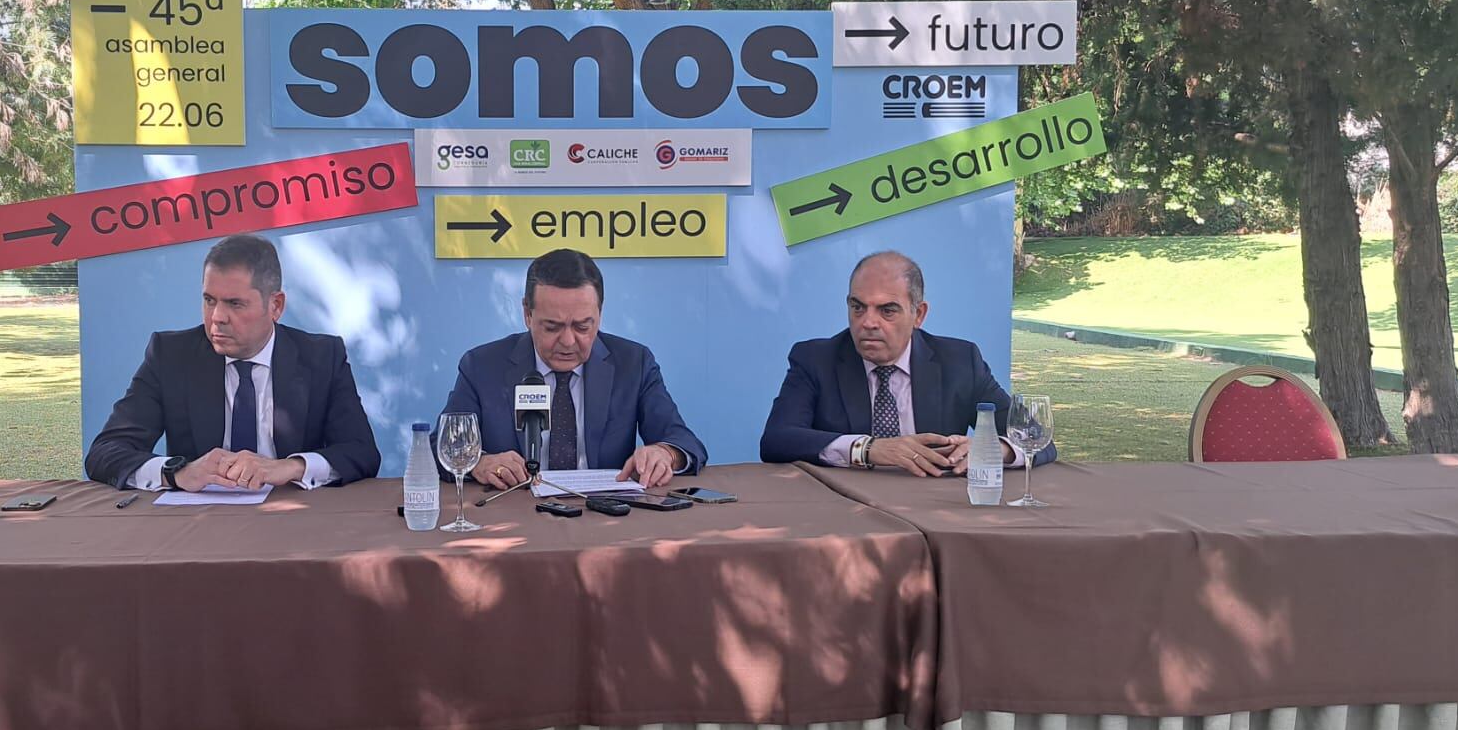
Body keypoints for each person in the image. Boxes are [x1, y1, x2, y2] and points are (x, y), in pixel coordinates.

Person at [84, 233, 382, 491]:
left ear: (275, 305)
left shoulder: (321, 357)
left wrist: (290, 468)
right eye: (209, 300)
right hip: (196, 525)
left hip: (293, 522)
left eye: (234, 303)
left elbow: (362, 453)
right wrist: (177, 472)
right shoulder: (171, 355)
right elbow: (104, 453)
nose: (217, 317)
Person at [760, 249, 1056, 476]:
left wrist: (996, 449)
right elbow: (777, 440)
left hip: (933, 507)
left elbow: (1036, 439)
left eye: (887, 310)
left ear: (918, 314)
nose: (868, 322)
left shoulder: (959, 361)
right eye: (858, 307)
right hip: (841, 507)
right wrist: (869, 449)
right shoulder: (816, 359)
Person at [442, 248, 707, 489]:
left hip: (604, 515)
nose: (568, 341)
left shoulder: (633, 363)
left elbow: (684, 442)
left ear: (600, 314)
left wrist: (664, 453)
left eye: (582, 326)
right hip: (513, 513)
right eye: (552, 327)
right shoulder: (482, 365)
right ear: (527, 314)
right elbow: (440, 446)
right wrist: (479, 462)